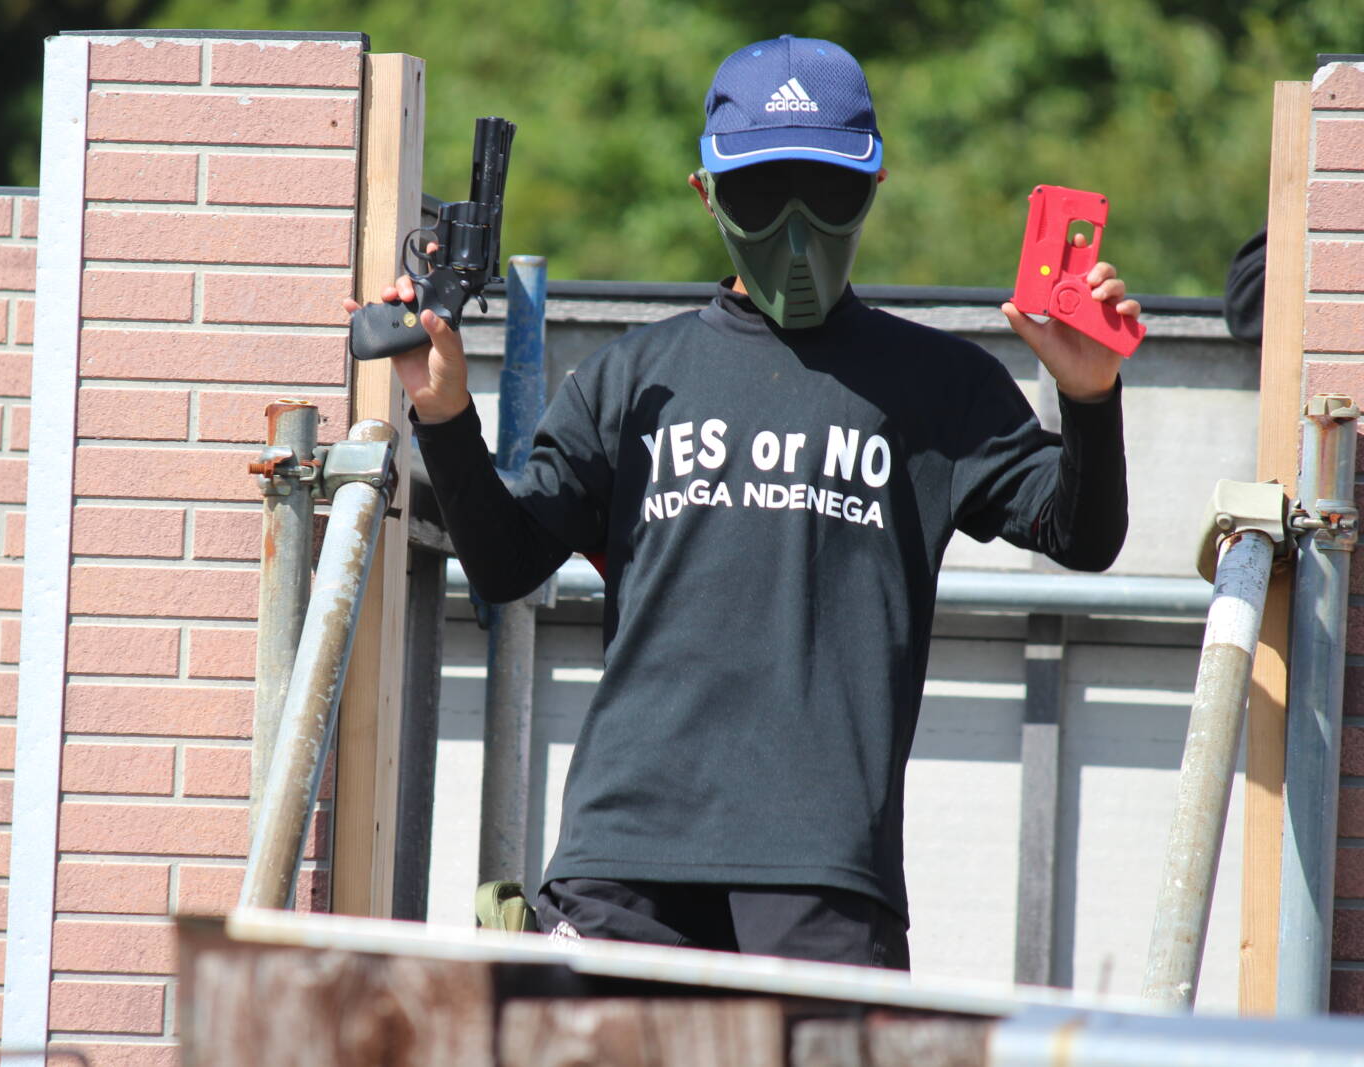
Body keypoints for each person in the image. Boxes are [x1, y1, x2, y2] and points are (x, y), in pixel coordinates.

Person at [344, 36, 1138, 969]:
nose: (795, 233)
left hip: (824, 873)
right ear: (706, 193)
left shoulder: (941, 386)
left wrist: (1089, 398)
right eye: (762, 196)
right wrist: (443, 414)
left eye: (827, 192)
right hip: (622, 863)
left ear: (874, 187)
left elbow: (1082, 535)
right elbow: (507, 562)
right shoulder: (630, 379)